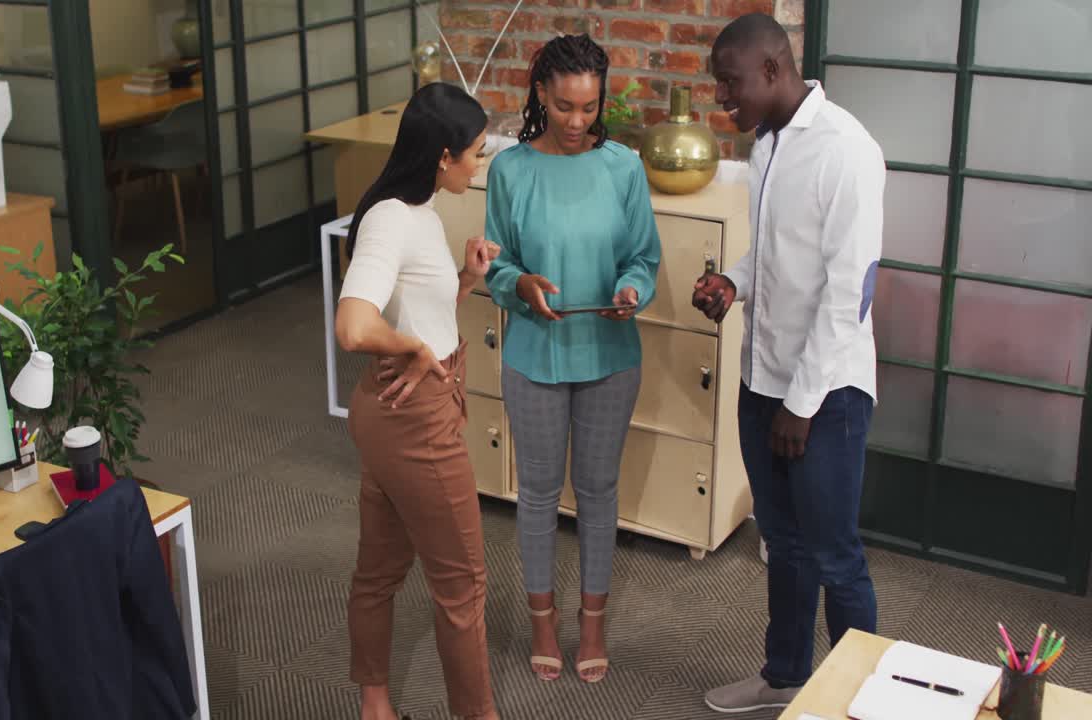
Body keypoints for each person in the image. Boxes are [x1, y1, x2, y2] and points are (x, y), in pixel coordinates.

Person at [693, 13, 885, 713]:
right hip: (760, 379)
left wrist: (800, 405)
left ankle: (859, 700)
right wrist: (735, 283)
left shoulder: (847, 152)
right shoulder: (766, 145)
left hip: (825, 396)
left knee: (836, 555)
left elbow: (849, 295)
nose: (722, 99)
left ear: (773, 70)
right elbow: (775, 250)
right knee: (785, 543)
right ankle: (786, 678)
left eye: (729, 83)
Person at [484, 33, 661, 685]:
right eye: (564, 107)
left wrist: (631, 291)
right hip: (534, 356)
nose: (578, 121)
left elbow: (643, 259)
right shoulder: (510, 170)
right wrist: (520, 287)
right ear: (541, 95)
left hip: (610, 354)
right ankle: (540, 622)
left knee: (598, 491)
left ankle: (591, 622)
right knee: (535, 495)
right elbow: (497, 265)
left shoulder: (624, 169)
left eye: (589, 107)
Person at [335, 82, 501, 720]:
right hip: (418, 421)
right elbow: (354, 327)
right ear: (442, 156)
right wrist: (411, 347)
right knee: (462, 585)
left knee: (378, 570)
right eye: (475, 154)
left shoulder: (414, 211)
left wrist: (464, 280)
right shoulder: (390, 220)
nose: (478, 165)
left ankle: (375, 706)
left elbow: (418, 313)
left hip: (393, 415)